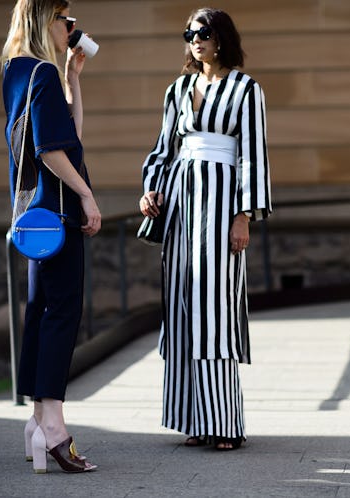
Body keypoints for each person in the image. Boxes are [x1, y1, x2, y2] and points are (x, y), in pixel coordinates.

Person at [139, 7, 272, 451]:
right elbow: (164, 149)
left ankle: (226, 423)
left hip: (220, 209)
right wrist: (151, 190)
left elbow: (252, 154)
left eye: (204, 32)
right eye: (190, 33)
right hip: (179, 209)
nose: (195, 39)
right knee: (181, 306)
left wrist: (243, 215)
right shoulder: (176, 90)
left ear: (221, 39)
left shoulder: (246, 89)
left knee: (213, 309)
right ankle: (194, 419)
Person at [0, 0, 100, 473]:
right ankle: (55, 428)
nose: (72, 28)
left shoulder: (18, 70)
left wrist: (73, 77)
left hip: (34, 216)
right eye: (66, 19)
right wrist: (87, 196)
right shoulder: (39, 73)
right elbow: (52, 151)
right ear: (46, 20)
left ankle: (37, 423)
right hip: (59, 214)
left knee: (40, 312)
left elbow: (70, 137)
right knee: (62, 313)